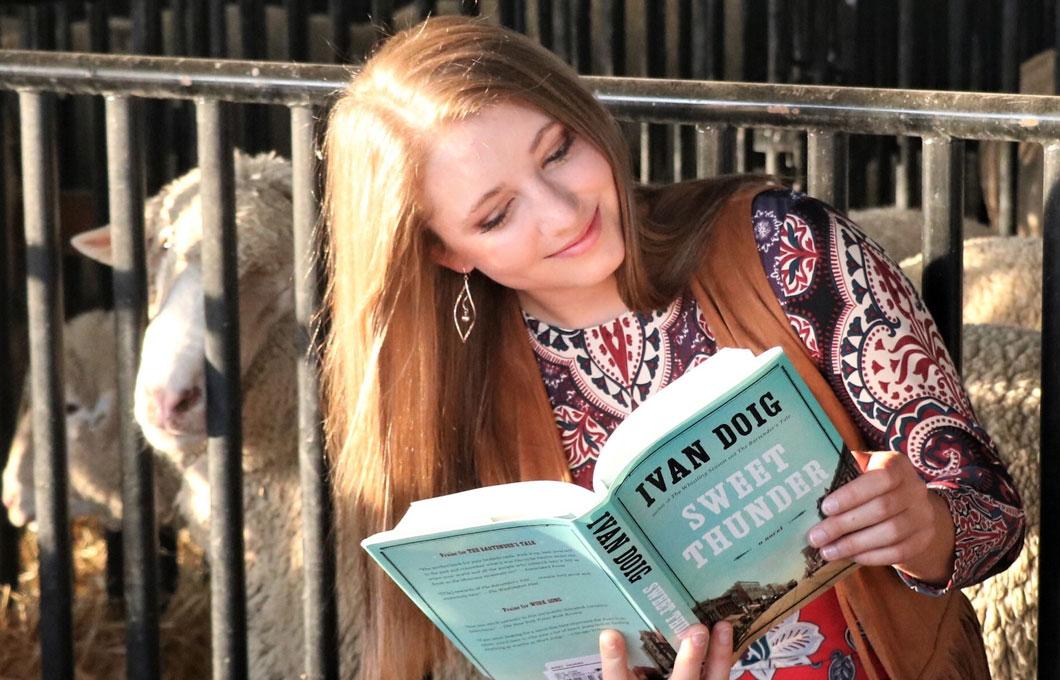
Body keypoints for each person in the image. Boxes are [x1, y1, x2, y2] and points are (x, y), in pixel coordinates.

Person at [321, 16, 1025, 680]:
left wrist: (924, 528)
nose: (563, 213)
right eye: (497, 214)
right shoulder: (456, 396)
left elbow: (993, 515)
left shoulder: (786, 247)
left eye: (559, 151)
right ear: (445, 251)